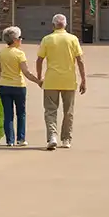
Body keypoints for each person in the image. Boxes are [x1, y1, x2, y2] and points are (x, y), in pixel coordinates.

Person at [35, 14, 86, 151]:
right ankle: (66, 139)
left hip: (51, 80)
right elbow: (80, 60)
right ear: (65, 25)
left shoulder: (47, 39)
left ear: (53, 25)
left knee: (50, 110)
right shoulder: (72, 39)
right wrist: (83, 80)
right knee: (68, 111)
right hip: (69, 80)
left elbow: (39, 60)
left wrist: (39, 77)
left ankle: (52, 136)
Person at [0, 26, 42, 147]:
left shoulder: (2, 53)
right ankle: (21, 139)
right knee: (21, 113)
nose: (21, 40)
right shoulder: (19, 54)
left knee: (8, 114)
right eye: (20, 38)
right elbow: (26, 72)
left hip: (4, 85)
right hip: (18, 87)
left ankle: (9, 140)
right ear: (15, 39)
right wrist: (38, 81)